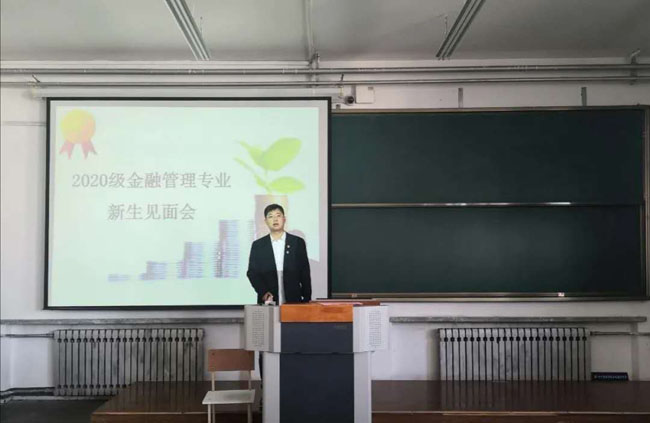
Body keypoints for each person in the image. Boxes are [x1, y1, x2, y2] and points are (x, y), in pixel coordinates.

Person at [247, 204, 312, 305]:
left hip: (294, 297)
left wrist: (307, 298)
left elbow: (304, 271)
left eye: (278, 215)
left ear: (284, 219)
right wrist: (263, 292)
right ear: (266, 221)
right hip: (269, 298)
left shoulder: (297, 242)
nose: (275, 219)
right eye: (270, 216)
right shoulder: (258, 245)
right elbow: (252, 272)